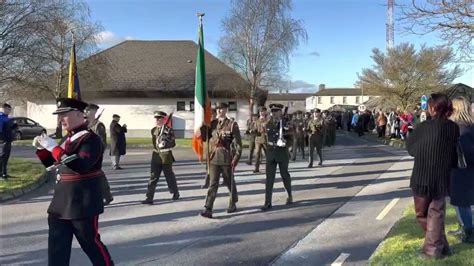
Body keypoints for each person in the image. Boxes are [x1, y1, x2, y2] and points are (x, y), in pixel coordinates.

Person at [32, 98, 113, 265]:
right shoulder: (67, 140)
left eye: (64, 115)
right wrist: (42, 150)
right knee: (57, 251)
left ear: (78, 114)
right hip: (60, 204)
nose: (61, 119)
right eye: (59, 115)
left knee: (91, 245)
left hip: (82, 203)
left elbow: (80, 165)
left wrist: (54, 148)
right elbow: (52, 165)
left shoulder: (91, 140)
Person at [406, 93, 459, 259]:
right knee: (435, 213)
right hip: (442, 177)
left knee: (423, 214)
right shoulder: (453, 127)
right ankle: (441, 246)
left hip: (422, 176)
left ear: (433, 107)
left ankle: (432, 250)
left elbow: (411, 150)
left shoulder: (423, 127)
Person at [200, 102, 242, 218]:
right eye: (217, 109)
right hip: (214, 157)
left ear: (226, 110)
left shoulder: (232, 124)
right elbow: (205, 138)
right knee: (213, 184)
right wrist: (203, 125)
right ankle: (208, 208)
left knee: (229, 182)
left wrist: (236, 158)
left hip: (226, 157)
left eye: (221, 109)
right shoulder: (212, 124)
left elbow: (238, 143)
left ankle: (233, 202)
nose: (219, 111)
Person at [448, 96, 474, 243]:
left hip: (462, 170)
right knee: (459, 202)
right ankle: (464, 227)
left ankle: (469, 231)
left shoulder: (461, 128)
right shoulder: (468, 125)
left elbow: (467, 151)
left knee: (462, 202)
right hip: (463, 169)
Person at [142, 111, 180, 205]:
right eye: (156, 118)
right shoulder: (153, 130)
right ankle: (149, 197)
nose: (157, 120)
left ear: (164, 119)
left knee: (169, 177)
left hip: (165, 156)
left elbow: (173, 143)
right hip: (156, 156)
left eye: (159, 118)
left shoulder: (169, 130)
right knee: (153, 177)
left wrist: (165, 143)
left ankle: (175, 192)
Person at [261, 103, 293, 211]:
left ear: (280, 112)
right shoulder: (267, 124)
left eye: (276, 111)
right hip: (271, 153)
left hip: (282, 153)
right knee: (269, 179)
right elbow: (265, 139)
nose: (273, 113)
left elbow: (291, 139)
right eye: (272, 111)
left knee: (285, 175)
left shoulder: (286, 124)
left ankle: (289, 195)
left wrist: (285, 143)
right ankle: (267, 202)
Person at [85, 104, 113, 205]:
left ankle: (106, 196)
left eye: (88, 111)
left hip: (94, 154)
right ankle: (105, 196)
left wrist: (97, 154)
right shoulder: (86, 124)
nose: (86, 112)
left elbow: (102, 142)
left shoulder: (99, 125)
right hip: (86, 154)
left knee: (97, 175)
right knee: (95, 175)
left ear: (94, 112)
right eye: (86, 111)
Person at [0, 103, 16, 179]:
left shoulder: (7, 118)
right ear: (4, 109)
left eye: (10, 110)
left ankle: (4, 173)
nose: (9, 111)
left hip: (8, 140)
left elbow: (8, 129)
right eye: (8, 109)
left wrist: (13, 127)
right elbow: (1, 130)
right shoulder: (1, 118)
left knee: (5, 157)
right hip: (4, 140)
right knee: (3, 157)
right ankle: (2, 174)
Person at [253, 106, 268, 173]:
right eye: (260, 112)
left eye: (263, 111)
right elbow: (255, 129)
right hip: (258, 139)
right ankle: (256, 168)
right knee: (257, 154)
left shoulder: (268, 120)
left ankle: (269, 168)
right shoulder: (257, 121)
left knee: (267, 154)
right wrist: (253, 131)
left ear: (265, 112)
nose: (262, 113)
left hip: (265, 139)